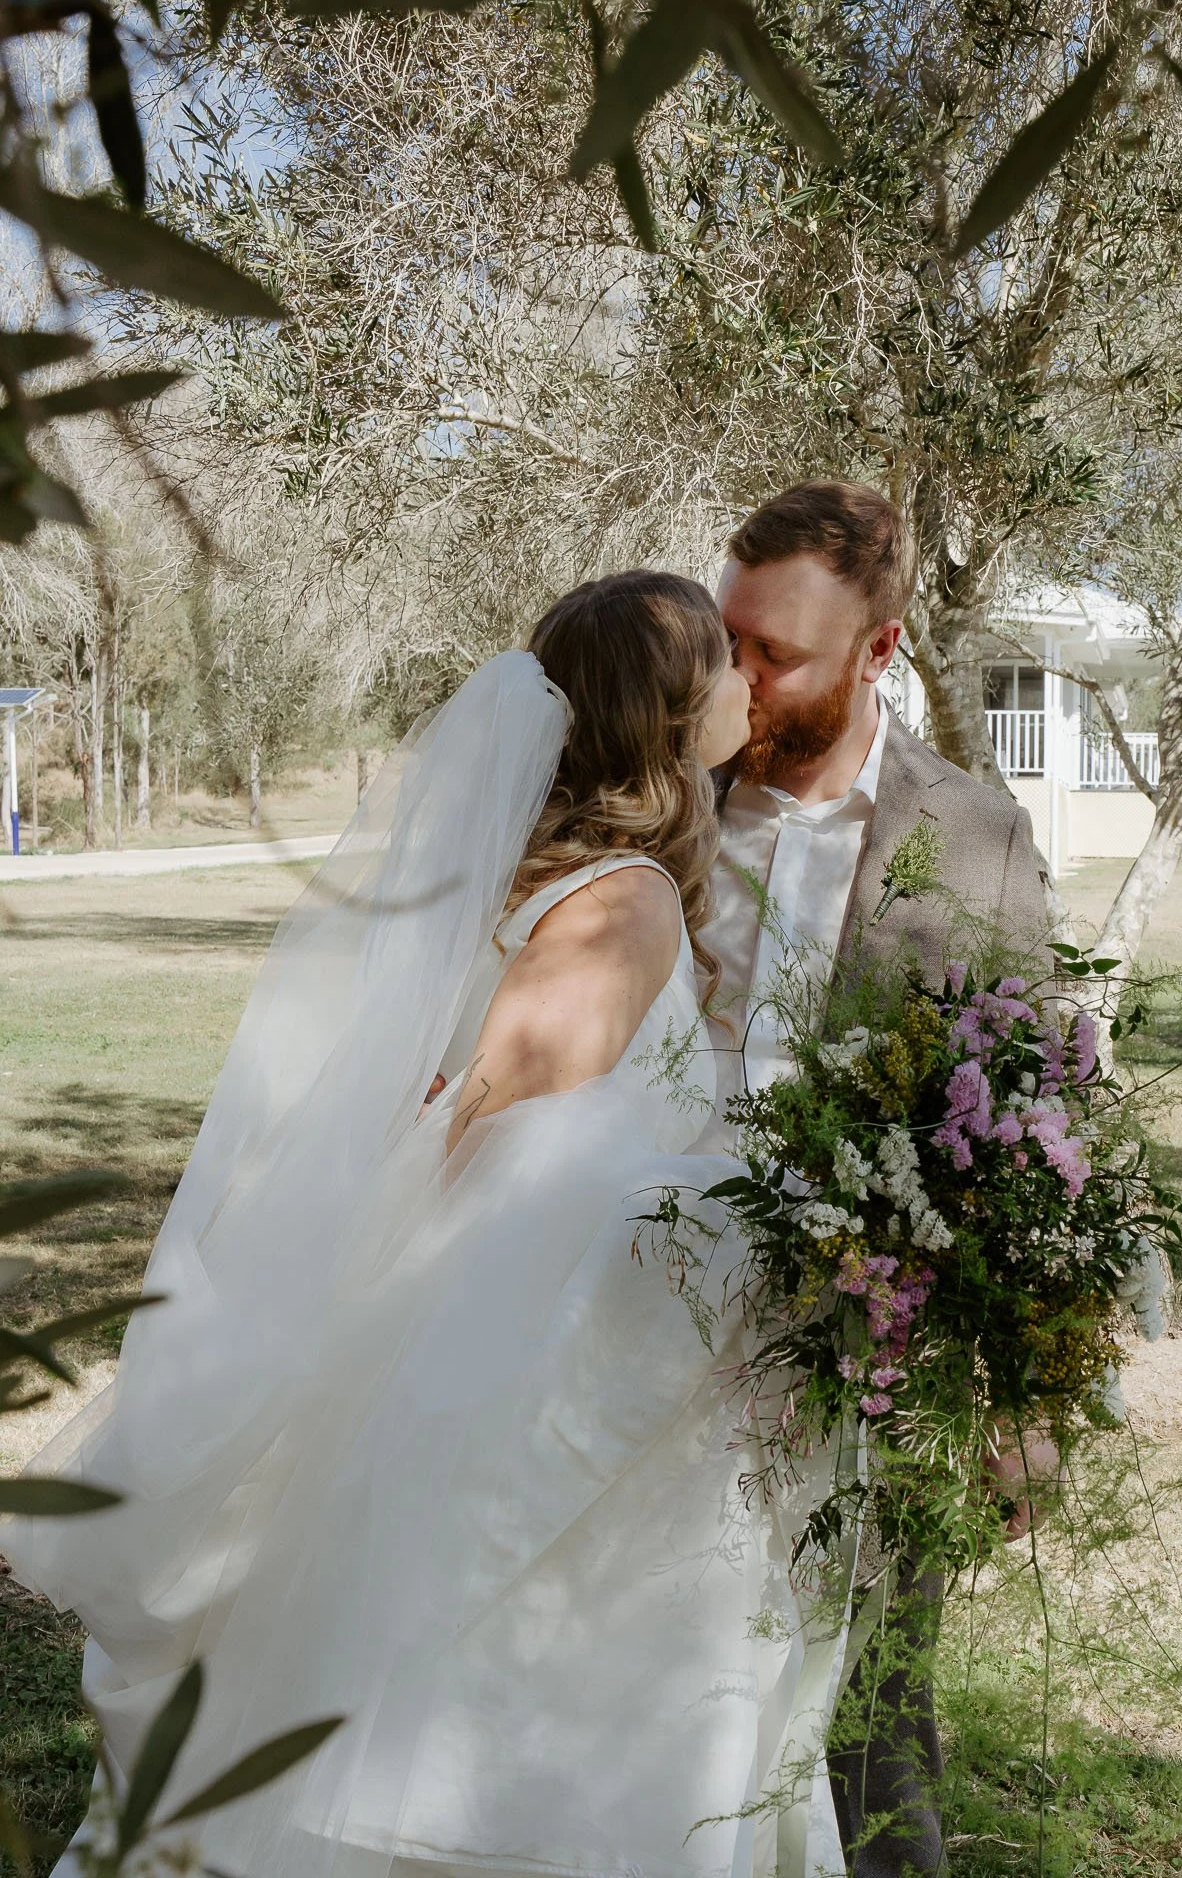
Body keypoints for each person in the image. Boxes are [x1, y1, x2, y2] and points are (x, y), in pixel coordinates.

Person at [2, 572, 846, 1878]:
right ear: (669, 711)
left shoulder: (561, 872)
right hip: (557, 1394)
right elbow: (507, 1150)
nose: (750, 681)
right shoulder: (619, 901)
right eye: (725, 662)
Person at [704, 480, 1053, 1877]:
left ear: (880, 648)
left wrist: (1019, 1404)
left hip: (873, 1345)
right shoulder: (662, 805)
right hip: (650, 1318)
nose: (736, 676)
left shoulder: (976, 834)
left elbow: (1029, 1121)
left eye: (773, 651)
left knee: (871, 1704)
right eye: (726, 636)